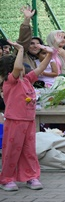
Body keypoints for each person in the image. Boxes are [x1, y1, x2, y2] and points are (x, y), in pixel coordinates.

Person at [0, 41, 52, 191]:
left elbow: (41, 67)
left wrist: (50, 54)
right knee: (12, 150)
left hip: (29, 121)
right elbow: (16, 67)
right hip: (14, 121)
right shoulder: (11, 82)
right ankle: (6, 179)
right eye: (21, 66)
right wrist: (21, 50)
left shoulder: (27, 80)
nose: (23, 69)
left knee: (29, 150)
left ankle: (31, 176)